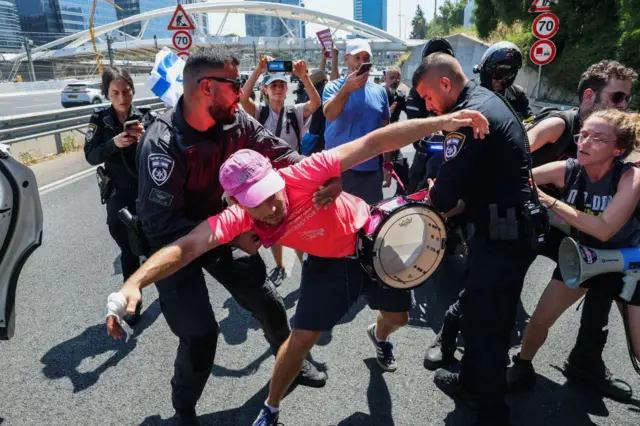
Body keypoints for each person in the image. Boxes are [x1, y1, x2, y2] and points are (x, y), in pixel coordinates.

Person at [106, 108, 490, 426]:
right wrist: (135, 282)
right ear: (239, 203)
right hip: (327, 264)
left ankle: (379, 333)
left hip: (370, 242)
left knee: (399, 318)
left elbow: (374, 142)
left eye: (273, 191)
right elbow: (187, 246)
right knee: (300, 339)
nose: (273, 204)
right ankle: (270, 408)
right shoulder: (238, 218)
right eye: (259, 201)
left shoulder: (301, 175)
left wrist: (442, 122)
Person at [135, 47, 335, 425]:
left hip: (221, 229)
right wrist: (232, 235)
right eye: (236, 83)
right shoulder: (162, 144)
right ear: (207, 87)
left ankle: (293, 362)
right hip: (175, 244)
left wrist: (323, 175)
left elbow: (281, 155)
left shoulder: (236, 122)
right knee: (200, 334)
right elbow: (160, 226)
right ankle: (183, 409)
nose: (242, 91)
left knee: (267, 298)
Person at [425, 59, 640, 402]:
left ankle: (585, 363)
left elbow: (604, 227)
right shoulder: (558, 125)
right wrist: (470, 198)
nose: (623, 106)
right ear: (589, 96)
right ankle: (452, 333)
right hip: (528, 216)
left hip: (572, 229)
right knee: (492, 282)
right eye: (616, 98)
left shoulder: (625, 162)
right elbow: (508, 152)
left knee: (600, 288)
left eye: (626, 99)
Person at [413, 52, 538, 426]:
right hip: (503, 229)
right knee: (482, 310)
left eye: (429, 97)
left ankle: (492, 412)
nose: (428, 106)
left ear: (446, 85)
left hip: (503, 233)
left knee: (489, 325)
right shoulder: (484, 99)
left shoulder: (467, 119)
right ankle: (469, 383)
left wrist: (432, 195)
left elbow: (446, 192)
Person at [507, 109, 640, 394]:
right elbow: (519, 178)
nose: (584, 143)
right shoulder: (569, 169)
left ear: (619, 149)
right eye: (584, 135)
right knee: (541, 318)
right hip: (587, 260)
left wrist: (550, 203)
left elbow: (604, 229)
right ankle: (522, 363)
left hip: (631, 264)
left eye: (599, 139)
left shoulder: (630, 177)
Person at [240, 55, 321, 286]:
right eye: (273, 85)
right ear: (265, 90)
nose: (277, 89)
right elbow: (242, 98)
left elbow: (315, 104)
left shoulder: (294, 112)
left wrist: (304, 77)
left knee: (298, 222)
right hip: (265, 179)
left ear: (286, 90)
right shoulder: (259, 112)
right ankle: (280, 265)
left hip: (291, 177)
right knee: (272, 221)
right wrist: (258, 69)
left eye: (281, 85)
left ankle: (306, 265)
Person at [84, 66, 155, 325]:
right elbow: (91, 156)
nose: (122, 97)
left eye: (126, 91)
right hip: (118, 196)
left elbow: (167, 151)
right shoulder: (99, 120)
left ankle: (170, 293)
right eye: (115, 92)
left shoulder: (147, 118)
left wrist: (147, 139)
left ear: (133, 91)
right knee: (128, 250)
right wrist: (113, 143)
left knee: (155, 246)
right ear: (107, 94)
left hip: (148, 194)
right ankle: (131, 302)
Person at [323, 38, 391, 204]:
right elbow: (330, 114)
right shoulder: (333, 87)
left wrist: (388, 163)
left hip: (370, 171)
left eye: (366, 58)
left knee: (370, 221)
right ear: (346, 59)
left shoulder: (380, 92)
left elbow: (386, 130)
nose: (362, 63)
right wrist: (347, 89)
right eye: (357, 58)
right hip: (338, 170)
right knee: (338, 222)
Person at [405, 37, 456, 194]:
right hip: (428, 150)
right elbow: (414, 127)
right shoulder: (416, 91)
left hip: (455, 150)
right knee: (413, 189)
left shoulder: (459, 86)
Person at [472, 41, 533, 120]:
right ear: (487, 73)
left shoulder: (517, 94)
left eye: (507, 76)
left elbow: (529, 118)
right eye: (497, 76)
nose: (500, 80)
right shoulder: (471, 90)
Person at [383, 66, 410, 195]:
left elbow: (412, 113)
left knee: (406, 176)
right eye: (392, 77)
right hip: (377, 146)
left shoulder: (400, 97)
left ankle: (400, 203)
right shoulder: (378, 95)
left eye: (397, 77)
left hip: (393, 144)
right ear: (385, 79)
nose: (395, 80)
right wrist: (386, 113)